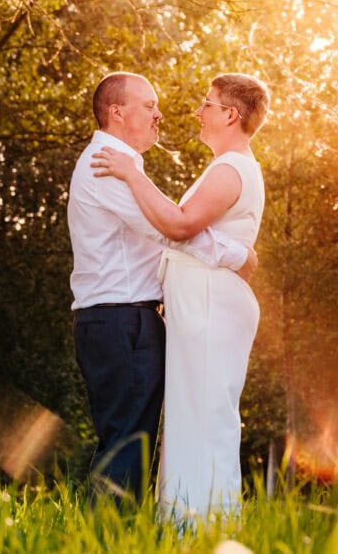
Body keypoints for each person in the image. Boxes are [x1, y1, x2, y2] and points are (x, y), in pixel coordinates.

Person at [68, 71, 256, 506]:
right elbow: (173, 230)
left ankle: (114, 538)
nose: (159, 114)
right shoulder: (107, 165)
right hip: (121, 320)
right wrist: (239, 256)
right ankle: (108, 541)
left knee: (129, 442)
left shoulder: (122, 164)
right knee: (126, 445)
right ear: (117, 112)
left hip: (121, 319)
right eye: (149, 105)